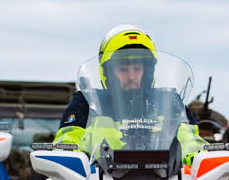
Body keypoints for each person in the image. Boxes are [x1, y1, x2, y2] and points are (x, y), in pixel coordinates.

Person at [54, 25, 205, 159]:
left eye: (137, 69)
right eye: (123, 70)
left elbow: (191, 143)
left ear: (147, 71)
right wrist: (70, 158)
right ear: (108, 72)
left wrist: (199, 159)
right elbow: (67, 142)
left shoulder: (170, 102)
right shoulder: (87, 103)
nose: (132, 76)